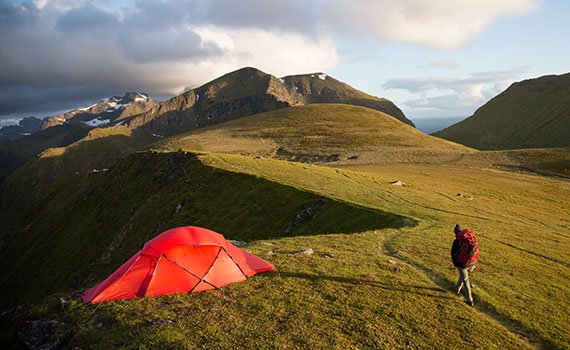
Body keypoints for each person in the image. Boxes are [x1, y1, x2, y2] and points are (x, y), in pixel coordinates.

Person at [451, 224, 480, 306]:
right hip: (472, 262)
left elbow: (453, 254)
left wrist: (456, 264)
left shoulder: (457, 242)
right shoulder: (470, 240)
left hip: (463, 264)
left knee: (465, 280)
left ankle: (469, 300)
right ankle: (457, 289)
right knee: (463, 276)